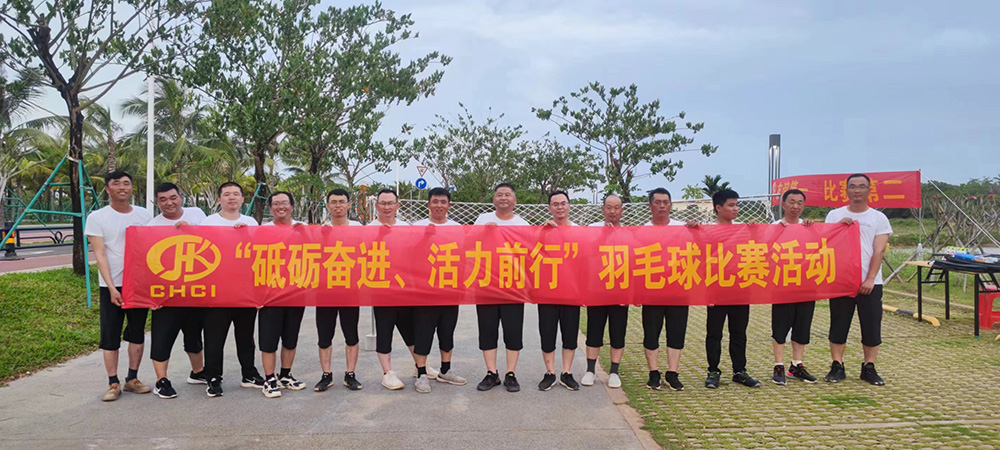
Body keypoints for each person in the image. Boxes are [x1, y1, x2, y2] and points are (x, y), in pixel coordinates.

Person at [86, 170, 153, 401]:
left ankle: (132, 379)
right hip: (111, 285)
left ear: (131, 188)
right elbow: (100, 254)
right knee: (110, 335)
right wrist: (112, 287)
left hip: (139, 284)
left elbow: (153, 246)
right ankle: (112, 382)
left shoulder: (144, 215)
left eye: (126, 183)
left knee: (137, 332)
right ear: (108, 189)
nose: (122, 187)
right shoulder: (98, 217)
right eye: (116, 184)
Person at [824, 173, 892, 386]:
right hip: (842, 281)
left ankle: (869, 367)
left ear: (869, 190)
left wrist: (870, 278)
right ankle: (837, 365)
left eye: (862, 186)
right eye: (852, 186)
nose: (857, 190)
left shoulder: (878, 218)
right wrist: (838, 228)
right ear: (846, 190)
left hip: (870, 282)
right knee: (838, 324)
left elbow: (879, 250)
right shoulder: (834, 215)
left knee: (871, 326)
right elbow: (826, 243)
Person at [145, 182, 209, 399]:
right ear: (157, 202)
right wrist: (150, 296)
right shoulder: (152, 226)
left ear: (181, 197)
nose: (169, 203)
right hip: (166, 294)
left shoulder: (197, 214)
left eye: (173, 197)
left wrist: (192, 230)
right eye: (163, 200)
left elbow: (212, 240)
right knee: (162, 337)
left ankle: (198, 372)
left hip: (194, 291)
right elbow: (145, 262)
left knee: (194, 335)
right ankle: (161, 381)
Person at [201, 181, 264, 397]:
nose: (231, 197)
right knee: (214, 338)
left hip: (244, 291)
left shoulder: (250, 222)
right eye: (227, 194)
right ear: (219, 199)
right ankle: (213, 377)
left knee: (245, 336)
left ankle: (249, 374)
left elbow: (259, 253)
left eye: (236, 194)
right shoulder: (208, 222)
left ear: (242, 199)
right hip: (217, 292)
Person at [368, 188, 427, 391]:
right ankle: (388, 373)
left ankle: (420, 367)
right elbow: (362, 254)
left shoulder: (406, 227)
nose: (387, 207)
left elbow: (416, 253)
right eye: (383, 203)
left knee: (411, 331)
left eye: (390, 203)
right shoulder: (368, 229)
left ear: (397, 205)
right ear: (377, 206)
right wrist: (379, 237)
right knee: (384, 331)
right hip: (382, 290)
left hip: (404, 288)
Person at [409, 187, 467, 393]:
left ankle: (445, 370)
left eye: (443, 202)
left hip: (450, 289)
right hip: (425, 290)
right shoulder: (418, 227)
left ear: (449, 205)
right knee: (423, 332)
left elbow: (463, 256)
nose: (439, 205)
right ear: (429, 204)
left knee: (447, 332)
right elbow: (408, 254)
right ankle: (421, 373)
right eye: (435, 201)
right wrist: (424, 237)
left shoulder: (457, 228)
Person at [702, 189, 761, 388]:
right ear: (718, 208)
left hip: (740, 289)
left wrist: (755, 230)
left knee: (739, 332)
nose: (736, 209)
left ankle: (740, 371)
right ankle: (713, 371)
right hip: (716, 290)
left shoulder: (744, 230)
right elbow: (701, 261)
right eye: (731, 205)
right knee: (714, 333)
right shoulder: (707, 231)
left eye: (737, 205)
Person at [473, 183, 529, 392]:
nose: (503, 198)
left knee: (513, 331)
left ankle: (511, 373)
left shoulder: (522, 224)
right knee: (487, 330)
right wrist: (483, 233)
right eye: (499, 194)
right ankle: (491, 372)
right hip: (486, 284)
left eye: (507, 195)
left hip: (513, 286)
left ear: (515, 200)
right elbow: (469, 243)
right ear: (493, 199)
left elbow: (530, 252)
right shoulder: (482, 219)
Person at [257, 191, 307, 397]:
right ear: (270, 208)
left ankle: (285, 375)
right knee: (269, 340)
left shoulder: (302, 229)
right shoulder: (261, 230)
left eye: (284, 203)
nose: (281, 207)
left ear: (292, 206)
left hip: (296, 292)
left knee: (290, 337)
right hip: (270, 294)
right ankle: (269, 379)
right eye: (276, 204)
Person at [314, 188, 363, 392]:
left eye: (341, 202)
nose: (338, 206)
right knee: (324, 336)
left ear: (349, 204)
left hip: (350, 290)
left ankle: (350, 374)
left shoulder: (358, 228)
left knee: (351, 334)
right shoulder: (320, 230)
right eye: (333, 202)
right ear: (327, 205)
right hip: (325, 291)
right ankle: (326, 374)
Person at [640, 188, 689, 391]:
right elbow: (634, 261)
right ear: (650, 206)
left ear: (671, 205)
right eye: (657, 202)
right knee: (651, 333)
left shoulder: (683, 229)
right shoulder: (642, 231)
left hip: (678, 290)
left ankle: (672, 373)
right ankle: (654, 372)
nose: (662, 206)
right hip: (652, 292)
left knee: (676, 333)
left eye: (665, 202)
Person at [770, 189, 819, 385]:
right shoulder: (773, 227)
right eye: (791, 202)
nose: (795, 206)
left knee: (802, 326)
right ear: (783, 204)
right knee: (780, 327)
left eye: (800, 203)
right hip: (782, 285)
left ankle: (797, 364)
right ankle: (778, 365)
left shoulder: (809, 228)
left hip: (806, 284)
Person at [537, 191, 581, 391]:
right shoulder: (542, 230)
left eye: (563, 203)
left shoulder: (579, 231)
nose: (560, 207)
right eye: (555, 204)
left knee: (570, 334)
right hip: (547, 292)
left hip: (571, 292)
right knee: (547, 333)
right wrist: (543, 232)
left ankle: (566, 372)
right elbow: (531, 254)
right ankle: (549, 372)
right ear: (550, 208)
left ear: (569, 206)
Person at [582, 194, 627, 389]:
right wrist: (603, 235)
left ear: (622, 211)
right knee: (594, 331)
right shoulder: (592, 229)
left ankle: (614, 372)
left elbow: (635, 262)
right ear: (603, 209)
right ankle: (590, 370)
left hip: (620, 292)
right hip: (596, 290)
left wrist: (633, 293)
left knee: (618, 332)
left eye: (616, 207)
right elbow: (584, 255)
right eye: (609, 207)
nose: (612, 211)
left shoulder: (629, 233)